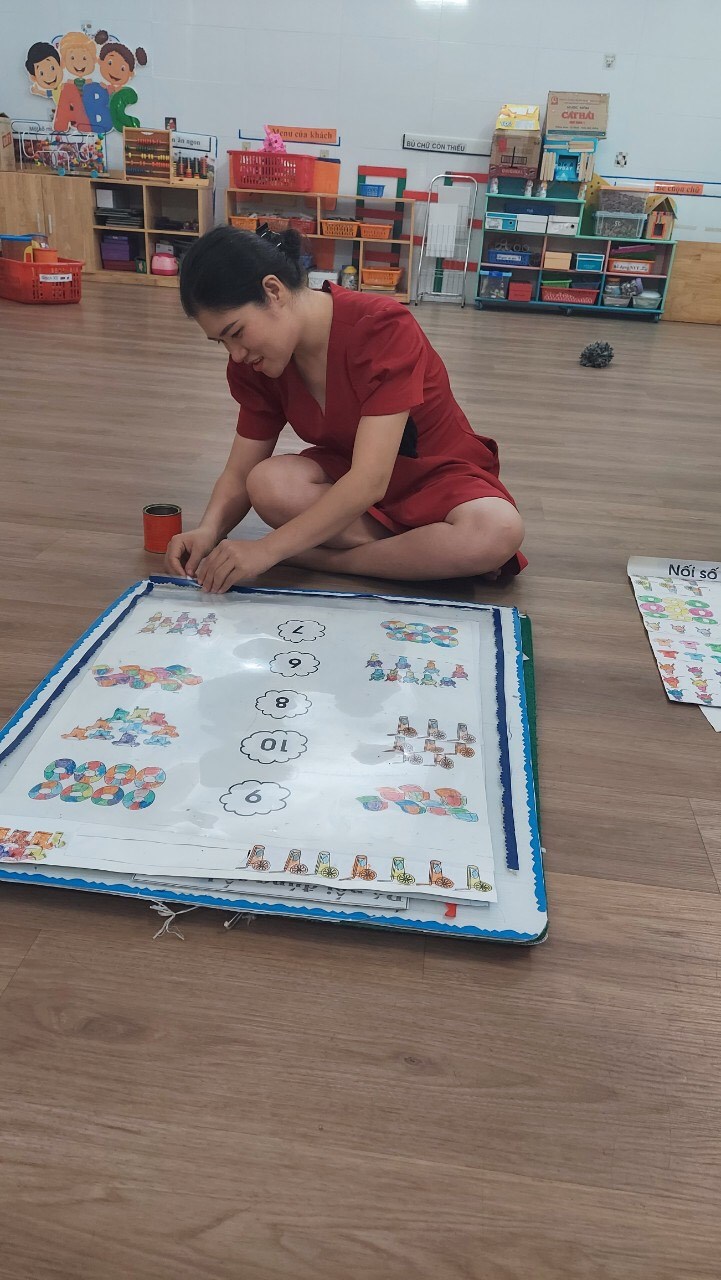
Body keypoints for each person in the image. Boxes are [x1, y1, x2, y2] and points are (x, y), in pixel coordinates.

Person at [168, 225, 526, 593]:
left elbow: (370, 481)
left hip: (434, 473)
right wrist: (209, 530)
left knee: (497, 529)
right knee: (266, 482)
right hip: (350, 474)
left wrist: (268, 551)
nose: (236, 354)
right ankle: (422, 553)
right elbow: (240, 470)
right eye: (221, 342)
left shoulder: (381, 327)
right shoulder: (256, 364)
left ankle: (321, 560)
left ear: (273, 291)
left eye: (236, 332)